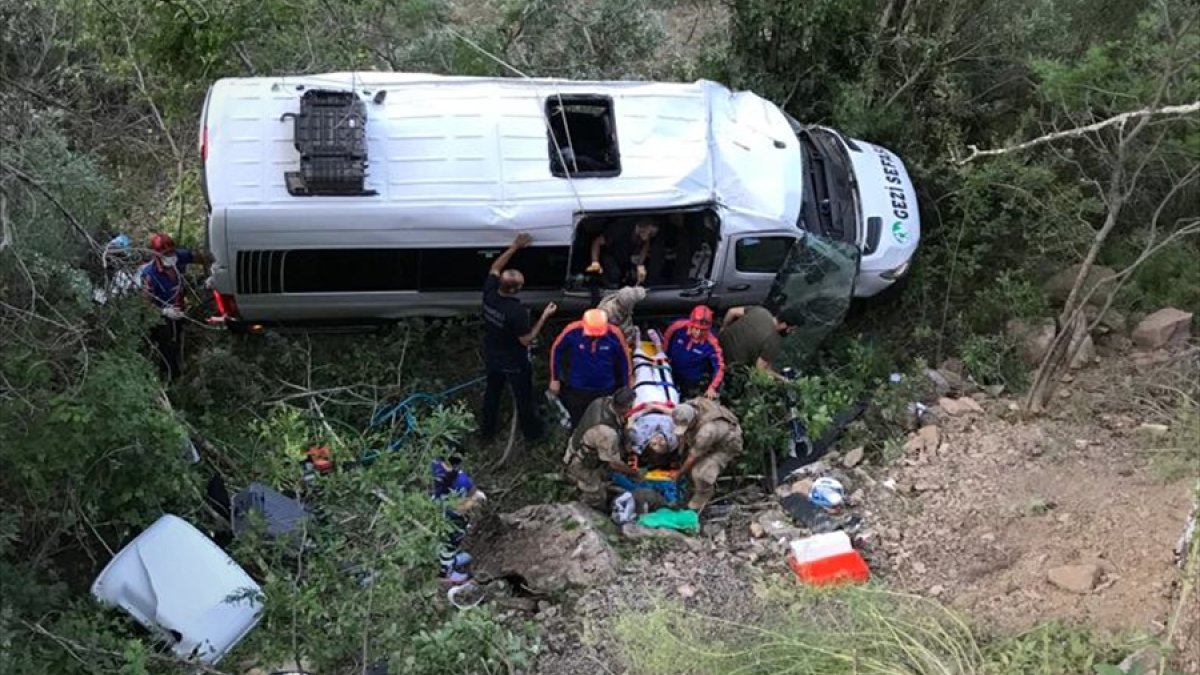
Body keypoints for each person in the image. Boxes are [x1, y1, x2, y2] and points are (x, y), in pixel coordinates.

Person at [479, 232, 557, 443]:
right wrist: (544, 317)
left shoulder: (489, 292)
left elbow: (495, 267)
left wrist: (515, 246)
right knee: (523, 398)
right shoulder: (516, 312)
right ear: (515, 289)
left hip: (492, 355)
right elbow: (526, 340)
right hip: (514, 362)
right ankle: (533, 435)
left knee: (492, 394)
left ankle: (486, 433)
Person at [139, 232, 206, 380]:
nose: (170, 256)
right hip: (161, 317)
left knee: (179, 338)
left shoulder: (179, 257)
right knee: (167, 346)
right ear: (157, 255)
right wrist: (164, 311)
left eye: (171, 252)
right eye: (166, 254)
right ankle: (170, 376)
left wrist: (213, 272)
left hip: (179, 310)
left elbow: (202, 258)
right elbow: (145, 304)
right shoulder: (150, 275)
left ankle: (180, 364)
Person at [549, 308, 632, 426]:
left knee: (605, 422)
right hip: (578, 388)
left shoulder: (615, 334)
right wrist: (554, 378)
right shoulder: (572, 330)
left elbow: (625, 362)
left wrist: (627, 386)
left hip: (605, 389)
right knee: (578, 422)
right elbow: (556, 350)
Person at [562, 387, 639, 509]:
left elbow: (620, 423)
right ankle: (586, 505)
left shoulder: (602, 401)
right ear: (625, 407)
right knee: (597, 496)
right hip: (581, 462)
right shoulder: (607, 433)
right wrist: (633, 473)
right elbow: (614, 464)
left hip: (580, 442)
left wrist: (627, 443)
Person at [672, 398, 744, 511]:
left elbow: (692, 457)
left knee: (700, 473)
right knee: (687, 462)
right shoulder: (690, 406)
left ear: (693, 420)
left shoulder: (706, 432)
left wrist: (679, 473)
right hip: (713, 437)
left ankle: (703, 495)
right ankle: (689, 489)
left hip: (727, 444)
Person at [663, 305, 725, 399]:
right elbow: (667, 338)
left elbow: (719, 366)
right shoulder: (677, 327)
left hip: (691, 382)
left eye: (702, 330)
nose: (698, 333)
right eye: (696, 328)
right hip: (671, 370)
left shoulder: (712, 343)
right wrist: (664, 355)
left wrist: (712, 387)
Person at [717, 305, 793, 379]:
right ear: (783, 325)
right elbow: (760, 370)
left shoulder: (761, 311)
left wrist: (723, 328)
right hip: (725, 365)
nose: (791, 332)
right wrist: (782, 379)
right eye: (791, 329)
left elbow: (732, 311)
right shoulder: (774, 342)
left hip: (716, 345)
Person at [587, 218, 660, 288]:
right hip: (609, 255)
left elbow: (645, 246)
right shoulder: (619, 228)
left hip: (625, 258)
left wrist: (639, 265)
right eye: (650, 234)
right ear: (643, 229)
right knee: (614, 273)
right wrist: (595, 262)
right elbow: (597, 242)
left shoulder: (643, 237)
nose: (650, 237)